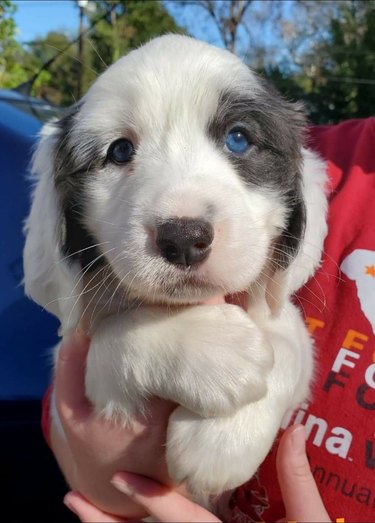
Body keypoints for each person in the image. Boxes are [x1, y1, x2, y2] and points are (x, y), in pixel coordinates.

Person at [44, 117, 375, 522]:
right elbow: (78, 424)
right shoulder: (318, 147)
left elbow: (284, 331)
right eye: (121, 151)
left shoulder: (296, 174)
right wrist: (128, 354)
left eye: (237, 140)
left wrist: (271, 384)